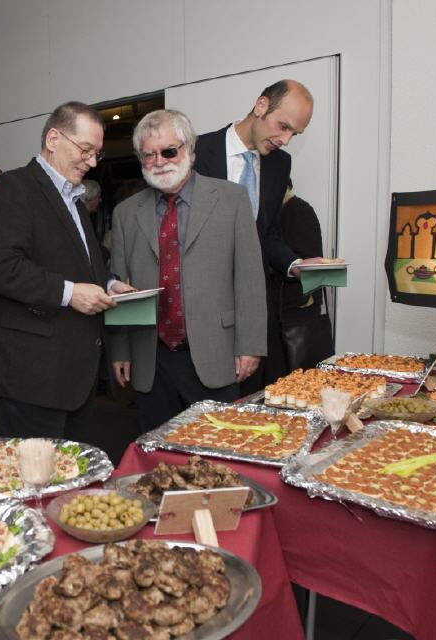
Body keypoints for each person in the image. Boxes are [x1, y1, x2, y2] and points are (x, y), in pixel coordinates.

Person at [109, 109, 267, 433]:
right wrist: (121, 349)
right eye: (148, 155)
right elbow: (119, 287)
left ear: (190, 151)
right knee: (158, 456)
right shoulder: (125, 213)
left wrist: (250, 345)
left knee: (216, 451)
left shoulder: (231, 199)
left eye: (169, 151)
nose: (160, 161)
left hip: (215, 351)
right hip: (152, 357)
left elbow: (250, 279)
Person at [0, 101, 117, 440]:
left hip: (73, 376)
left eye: (97, 153)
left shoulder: (73, 200)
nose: (92, 162)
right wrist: (71, 294)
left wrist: (109, 285)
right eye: (86, 150)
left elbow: (81, 266)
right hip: (32, 378)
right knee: (35, 484)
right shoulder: (12, 188)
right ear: (53, 139)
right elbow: (0, 268)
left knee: (72, 481)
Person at [194, 79, 323, 391]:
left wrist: (295, 264)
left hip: (252, 315)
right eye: (283, 126)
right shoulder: (196, 152)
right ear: (261, 105)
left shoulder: (280, 163)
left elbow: (265, 235)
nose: (287, 139)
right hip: (200, 315)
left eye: (295, 133)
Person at [275, 179, 334, 372]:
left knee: (296, 380)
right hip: (290, 309)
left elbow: (310, 262)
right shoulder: (281, 211)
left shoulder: (297, 210)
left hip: (297, 309)